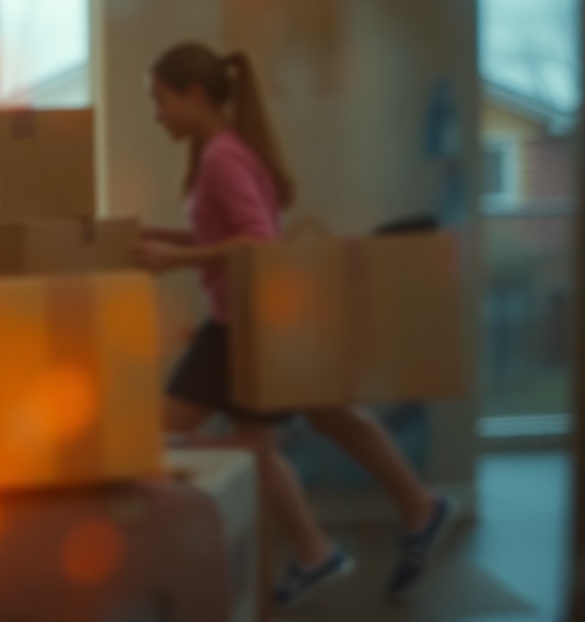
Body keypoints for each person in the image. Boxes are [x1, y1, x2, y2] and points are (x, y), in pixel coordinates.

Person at [134, 42, 454, 609]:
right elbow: (232, 236)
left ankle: (342, 538)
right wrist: (163, 238)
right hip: (248, 318)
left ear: (195, 94)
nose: (156, 114)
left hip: (245, 324)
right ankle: (350, 535)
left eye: (161, 101)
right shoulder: (224, 150)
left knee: (159, 429)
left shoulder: (221, 158)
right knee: (299, 426)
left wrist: (174, 261)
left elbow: (259, 242)